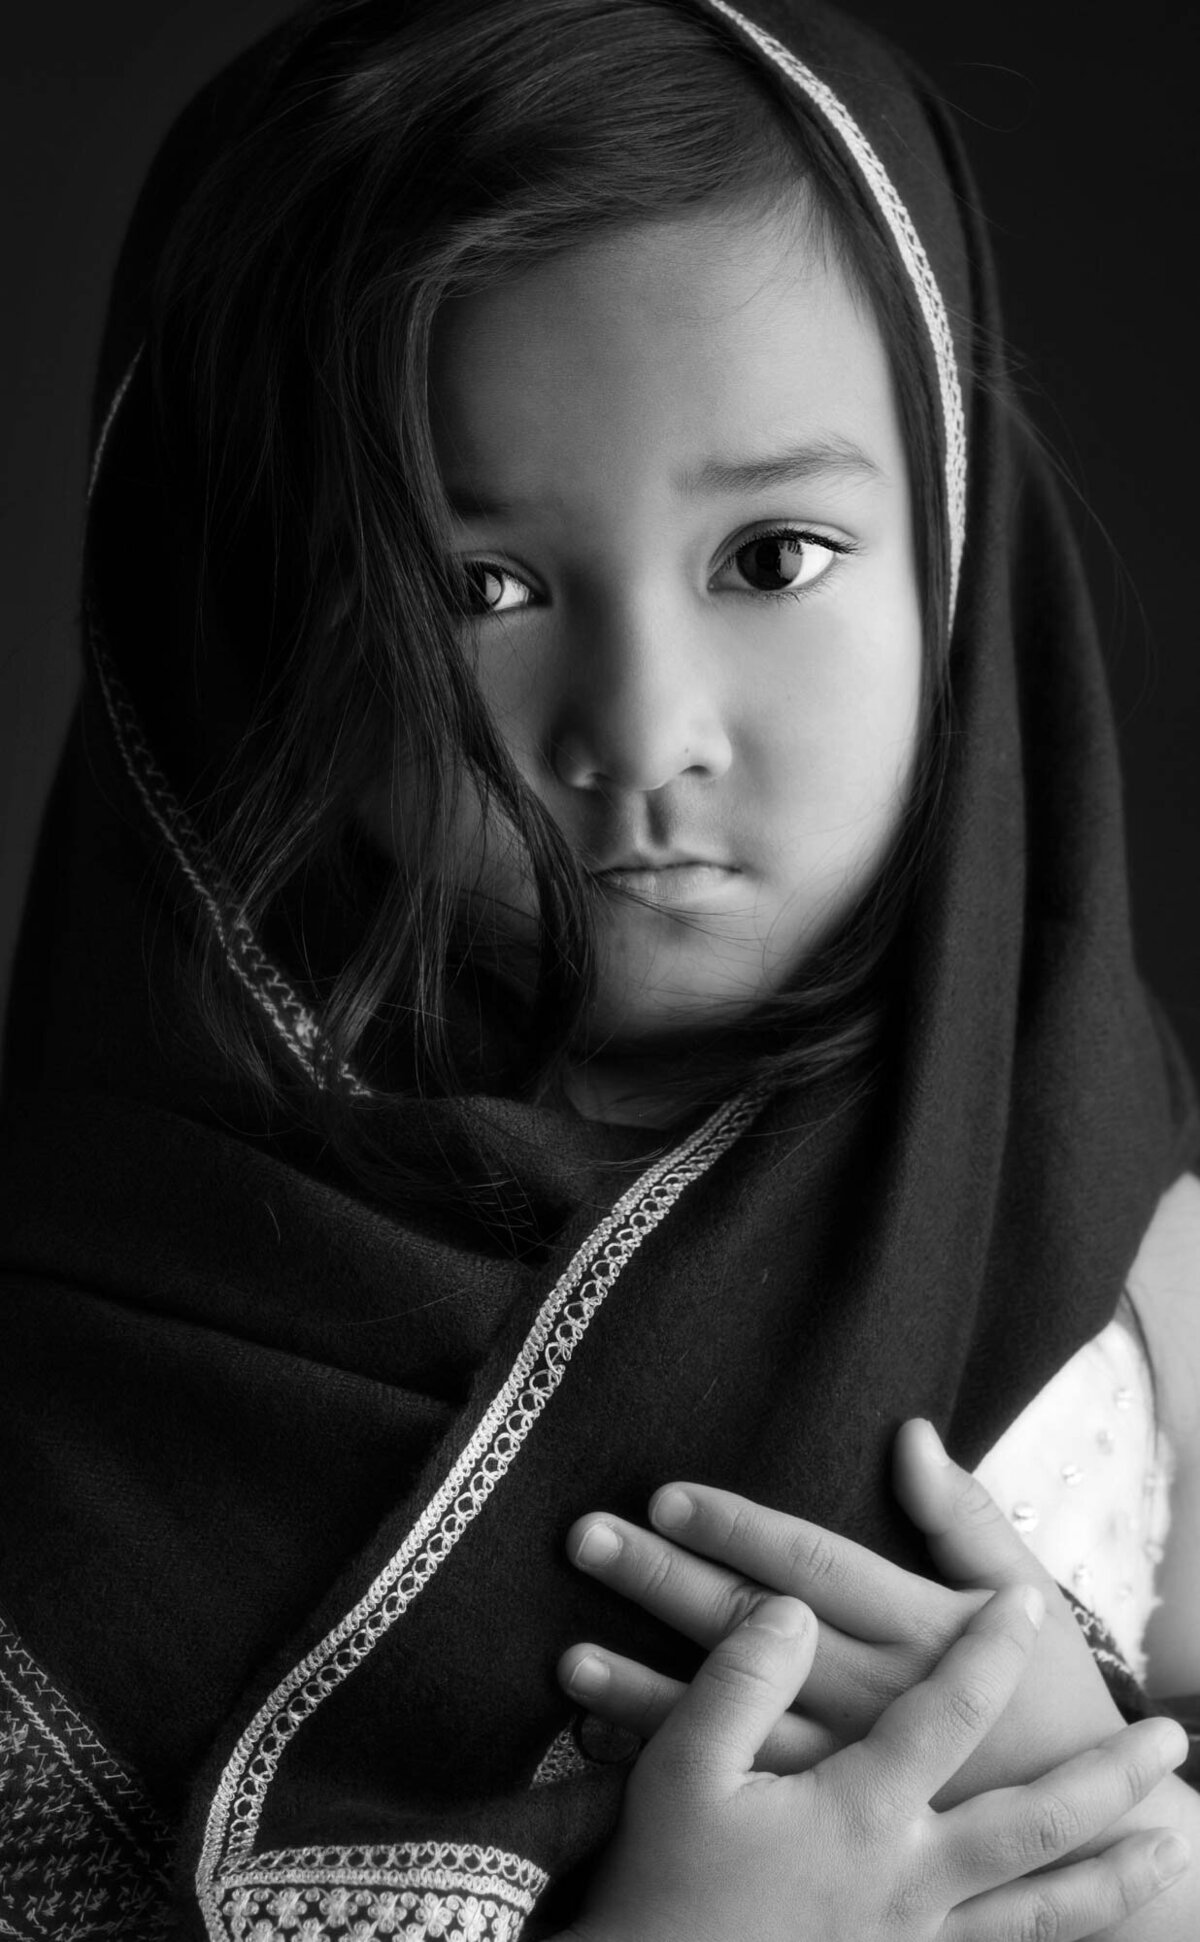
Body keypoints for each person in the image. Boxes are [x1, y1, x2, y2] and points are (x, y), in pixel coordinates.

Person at [0, 0, 1197, 1936]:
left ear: (959, 551)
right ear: (245, 637)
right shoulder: (92, 1353)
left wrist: (1126, 1843)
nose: (641, 729)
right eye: (480, 589)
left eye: (776, 555)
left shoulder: (1119, 1243)